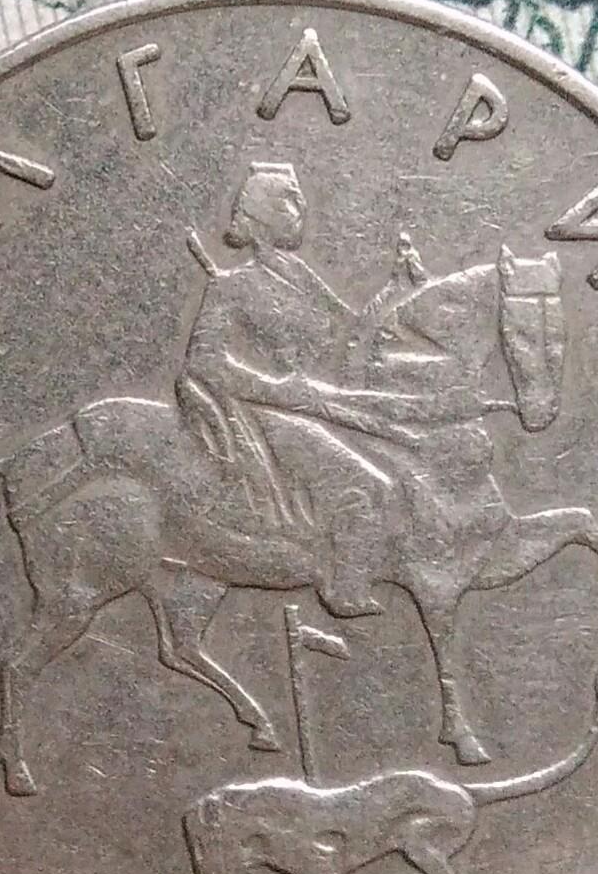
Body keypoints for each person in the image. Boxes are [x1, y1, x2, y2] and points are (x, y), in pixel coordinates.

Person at [178, 162, 447, 617]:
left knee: (406, 450)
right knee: (369, 485)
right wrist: (274, 388)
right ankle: (344, 590)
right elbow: (203, 362)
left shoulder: (300, 275)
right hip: (263, 414)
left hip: (315, 400)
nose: (300, 211)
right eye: (289, 202)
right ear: (263, 215)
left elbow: (350, 331)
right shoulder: (232, 286)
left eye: (298, 201)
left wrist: (395, 290)